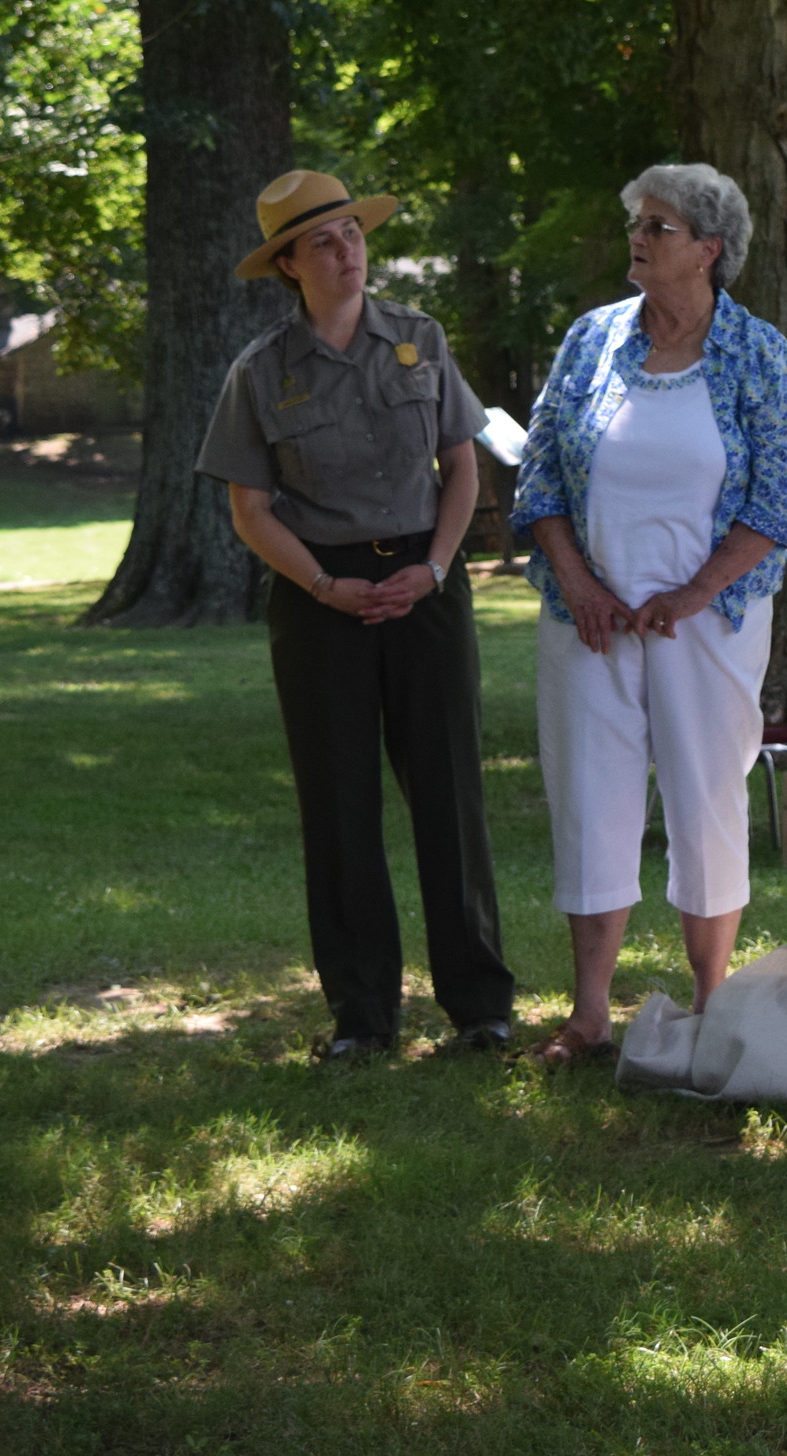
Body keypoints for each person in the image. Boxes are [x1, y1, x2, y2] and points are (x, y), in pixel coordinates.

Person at [196, 170, 517, 1063]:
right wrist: (326, 589)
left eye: (353, 233)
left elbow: (463, 467)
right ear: (289, 265)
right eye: (325, 242)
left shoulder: (420, 340)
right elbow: (250, 511)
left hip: (426, 581)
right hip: (319, 599)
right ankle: (363, 1017)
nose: (348, 251)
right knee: (339, 807)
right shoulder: (260, 373)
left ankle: (481, 1007)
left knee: (450, 796)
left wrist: (436, 568)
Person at [510, 163, 787, 1069]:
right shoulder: (592, 340)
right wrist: (584, 586)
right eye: (637, 222)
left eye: (661, 226)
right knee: (591, 803)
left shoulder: (759, 354)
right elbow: (540, 477)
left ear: (711, 251)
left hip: (708, 625)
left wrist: (692, 593)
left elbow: (779, 502)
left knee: (706, 803)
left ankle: (714, 1007)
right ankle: (590, 1015)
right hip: (588, 622)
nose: (639, 238)